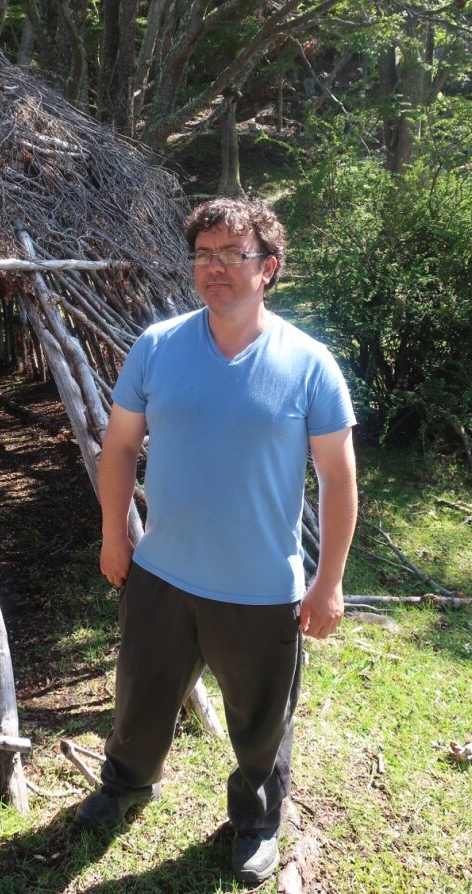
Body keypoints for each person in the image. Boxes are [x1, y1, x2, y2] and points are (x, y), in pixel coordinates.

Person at [74, 197, 357, 887]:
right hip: (163, 573)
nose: (215, 269)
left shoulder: (308, 364)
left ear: (270, 268)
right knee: (140, 696)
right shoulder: (159, 346)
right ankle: (125, 785)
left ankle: (255, 823)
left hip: (260, 585)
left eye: (234, 255)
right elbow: (117, 448)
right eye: (204, 255)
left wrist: (328, 582)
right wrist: (116, 533)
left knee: (260, 725)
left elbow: (339, 478)